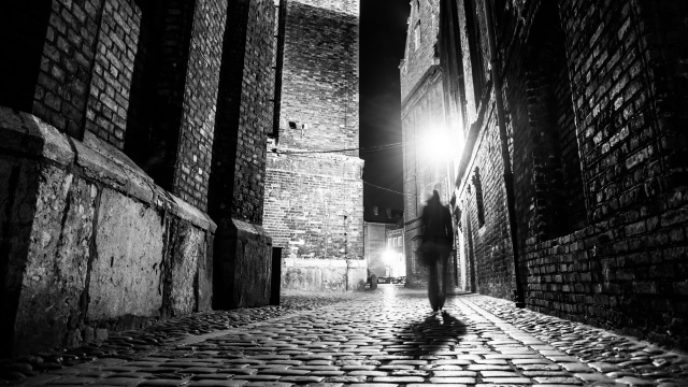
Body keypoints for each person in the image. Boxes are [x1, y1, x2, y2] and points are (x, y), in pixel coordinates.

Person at [419, 190, 454, 312]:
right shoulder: (444, 210)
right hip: (443, 243)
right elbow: (449, 229)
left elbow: (422, 228)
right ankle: (442, 298)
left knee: (432, 273)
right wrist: (450, 244)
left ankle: (434, 300)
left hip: (430, 243)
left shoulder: (426, 209)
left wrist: (423, 243)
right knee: (443, 273)